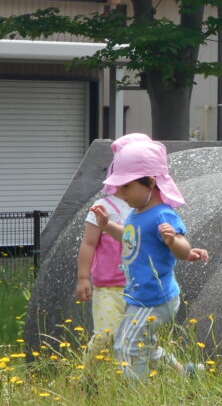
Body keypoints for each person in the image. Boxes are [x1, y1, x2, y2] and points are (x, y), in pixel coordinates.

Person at [94, 140, 209, 380]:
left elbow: (182, 248)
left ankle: (138, 394)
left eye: (127, 187)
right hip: (140, 296)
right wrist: (107, 227)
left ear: (151, 183)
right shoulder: (137, 213)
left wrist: (172, 241)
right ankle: (186, 373)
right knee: (144, 345)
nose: (121, 194)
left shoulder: (162, 214)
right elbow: (129, 237)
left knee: (127, 346)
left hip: (154, 298)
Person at [75, 133, 151, 366]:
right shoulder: (102, 206)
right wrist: (83, 277)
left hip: (139, 284)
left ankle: (170, 372)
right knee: (106, 334)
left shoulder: (146, 208)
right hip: (109, 285)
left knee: (141, 339)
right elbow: (89, 242)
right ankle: (82, 379)